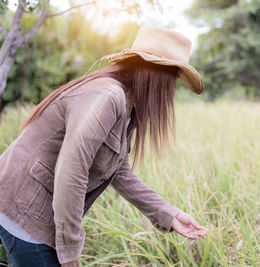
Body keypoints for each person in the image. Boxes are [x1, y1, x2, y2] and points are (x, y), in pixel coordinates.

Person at [0, 25, 208, 267]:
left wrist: (169, 215)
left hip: (33, 212)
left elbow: (119, 170)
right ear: (156, 74)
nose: (171, 89)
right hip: (23, 211)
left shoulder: (127, 104)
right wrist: (70, 249)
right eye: (173, 77)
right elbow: (72, 170)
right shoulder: (107, 97)